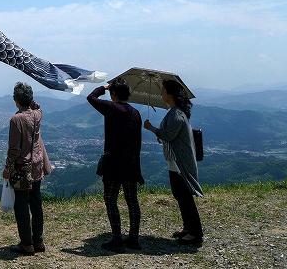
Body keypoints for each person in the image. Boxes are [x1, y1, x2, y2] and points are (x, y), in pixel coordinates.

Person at [144, 79, 203, 245]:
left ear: (170, 94)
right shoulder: (174, 111)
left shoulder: (176, 114)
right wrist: (161, 134)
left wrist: (152, 128)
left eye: (163, 91)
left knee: (185, 197)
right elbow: (170, 136)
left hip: (180, 164)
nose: (161, 93)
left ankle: (195, 233)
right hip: (174, 162)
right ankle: (187, 228)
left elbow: (168, 135)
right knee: (179, 195)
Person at [87, 80, 144, 252]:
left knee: (111, 199)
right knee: (132, 201)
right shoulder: (136, 113)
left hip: (113, 164)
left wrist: (103, 88)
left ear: (114, 95)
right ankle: (134, 238)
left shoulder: (112, 108)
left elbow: (91, 97)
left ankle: (117, 238)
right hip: (131, 164)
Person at [3, 82, 52, 255]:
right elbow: (38, 107)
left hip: (22, 168)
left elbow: (14, 149)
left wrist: (7, 168)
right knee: (36, 204)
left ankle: (26, 243)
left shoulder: (16, 119)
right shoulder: (38, 115)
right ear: (30, 98)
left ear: (16, 100)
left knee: (22, 205)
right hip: (37, 167)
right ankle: (38, 241)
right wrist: (32, 101)